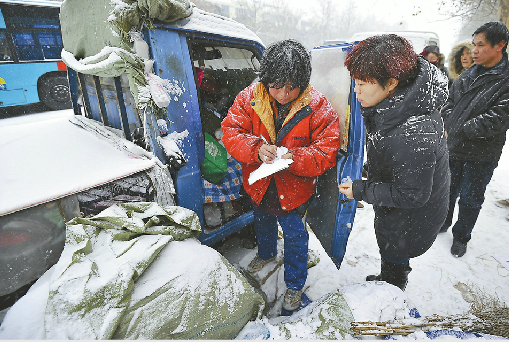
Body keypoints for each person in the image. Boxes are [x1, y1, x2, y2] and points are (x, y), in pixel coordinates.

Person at [221, 39, 340, 311]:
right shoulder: (249, 98)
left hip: (295, 191)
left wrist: (295, 158)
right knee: (262, 220)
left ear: (303, 82)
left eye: (292, 87)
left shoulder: (318, 107)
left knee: (296, 237)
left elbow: (327, 150)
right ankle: (266, 254)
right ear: (265, 80)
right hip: (260, 184)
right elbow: (231, 132)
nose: (284, 94)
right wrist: (256, 148)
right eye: (276, 85)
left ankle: (295, 284)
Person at [339, 34, 450, 291]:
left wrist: (361, 190)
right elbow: (397, 160)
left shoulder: (412, 131)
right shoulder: (403, 104)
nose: (356, 91)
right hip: (404, 213)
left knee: (396, 254)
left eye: (362, 84)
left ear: (391, 83)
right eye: (354, 82)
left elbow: (412, 195)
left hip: (410, 220)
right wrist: (371, 169)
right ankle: (390, 276)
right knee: (393, 253)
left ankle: (392, 291)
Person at [441, 21, 509, 257]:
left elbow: (497, 118)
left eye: (480, 45)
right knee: (448, 190)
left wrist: (457, 128)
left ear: (499, 45)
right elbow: (448, 105)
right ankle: (443, 222)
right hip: (455, 147)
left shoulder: (505, 79)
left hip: (482, 153)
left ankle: (461, 236)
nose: (474, 51)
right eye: (474, 45)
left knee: (471, 197)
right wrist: (450, 122)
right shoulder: (466, 75)